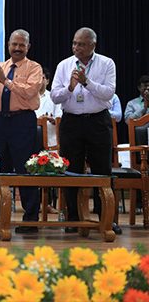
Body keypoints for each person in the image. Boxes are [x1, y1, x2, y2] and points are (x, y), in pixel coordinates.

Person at [50, 27, 120, 234]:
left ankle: (106, 219)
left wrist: (86, 82)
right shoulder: (64, 65)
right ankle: (73, 218)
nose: (76, 47)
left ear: (92, 45)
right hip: (71, 122)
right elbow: (54, 96)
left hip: (98, 122)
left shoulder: (106, 63)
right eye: (74, 43)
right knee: (71, 171)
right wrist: (70, 88)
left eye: (81, 44)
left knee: (102, 171)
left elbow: (108, 93)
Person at [0, 29, 43, 234]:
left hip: (23, 121)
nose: (17, 48)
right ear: (8, 45)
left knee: (25, 170)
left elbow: (29, 92)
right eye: (14, 44)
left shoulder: (34, 67)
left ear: (28, 47)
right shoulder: (1, 66)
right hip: (1, 121)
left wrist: (5, 80)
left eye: (21, 45)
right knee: (0, 169)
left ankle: (30, 219)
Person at [35, 67, 62, 148]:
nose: (39, 80)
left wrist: (52, 120)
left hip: (50, 141)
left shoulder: (54, 97)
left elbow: (59, 117)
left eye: (42, 78)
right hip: (32, 139)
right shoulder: (27, 98)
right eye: (37, 78)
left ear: (47, 81)